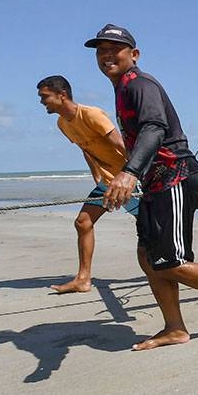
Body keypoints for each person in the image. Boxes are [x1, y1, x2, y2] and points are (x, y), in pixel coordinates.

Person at [85, 24, 198, 350]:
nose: (106, 56)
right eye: (100, 51)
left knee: (170, 259)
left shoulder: (139, 83)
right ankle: (175, 328)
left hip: (175, 176)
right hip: (155, 181)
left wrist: (129, 172)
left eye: (114, 50)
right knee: (148, 255)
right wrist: (128, 174)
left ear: (134, 54)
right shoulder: (123, 88)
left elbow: (154, 127)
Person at [36, 75, 140, 294]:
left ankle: (171, 267)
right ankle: (83, 279)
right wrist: (97, 176)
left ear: (62, 95)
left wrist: (133, 177)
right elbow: (86, 148)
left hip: (127, 180)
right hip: (107, 181)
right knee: (83, 222)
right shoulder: (62, 123)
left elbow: (122, 146)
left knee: (150, 226)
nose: (42, 102)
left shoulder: (91, 114)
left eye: (45, 96)